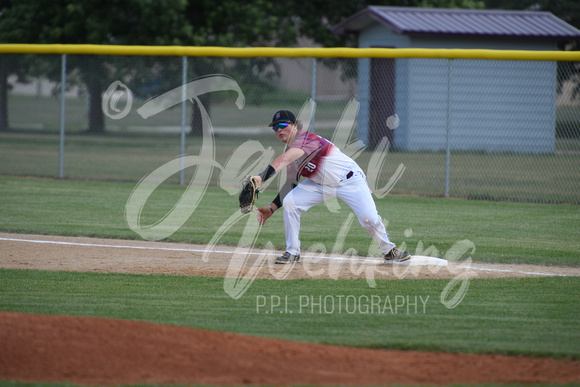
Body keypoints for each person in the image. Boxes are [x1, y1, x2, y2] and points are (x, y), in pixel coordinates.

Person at [252, 109, 410, 264]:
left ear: (294, 125)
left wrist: (260, 177)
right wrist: (271, 208)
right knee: (290, 202)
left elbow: (284, 159)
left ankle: (389, 250)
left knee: (369, 218)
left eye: (282, 124)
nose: (279, 129)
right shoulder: (291, 151)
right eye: (275, 127)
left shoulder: (305, 139)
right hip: (319, 184)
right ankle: (292, 252)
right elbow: (291, 183)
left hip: (349, 179)